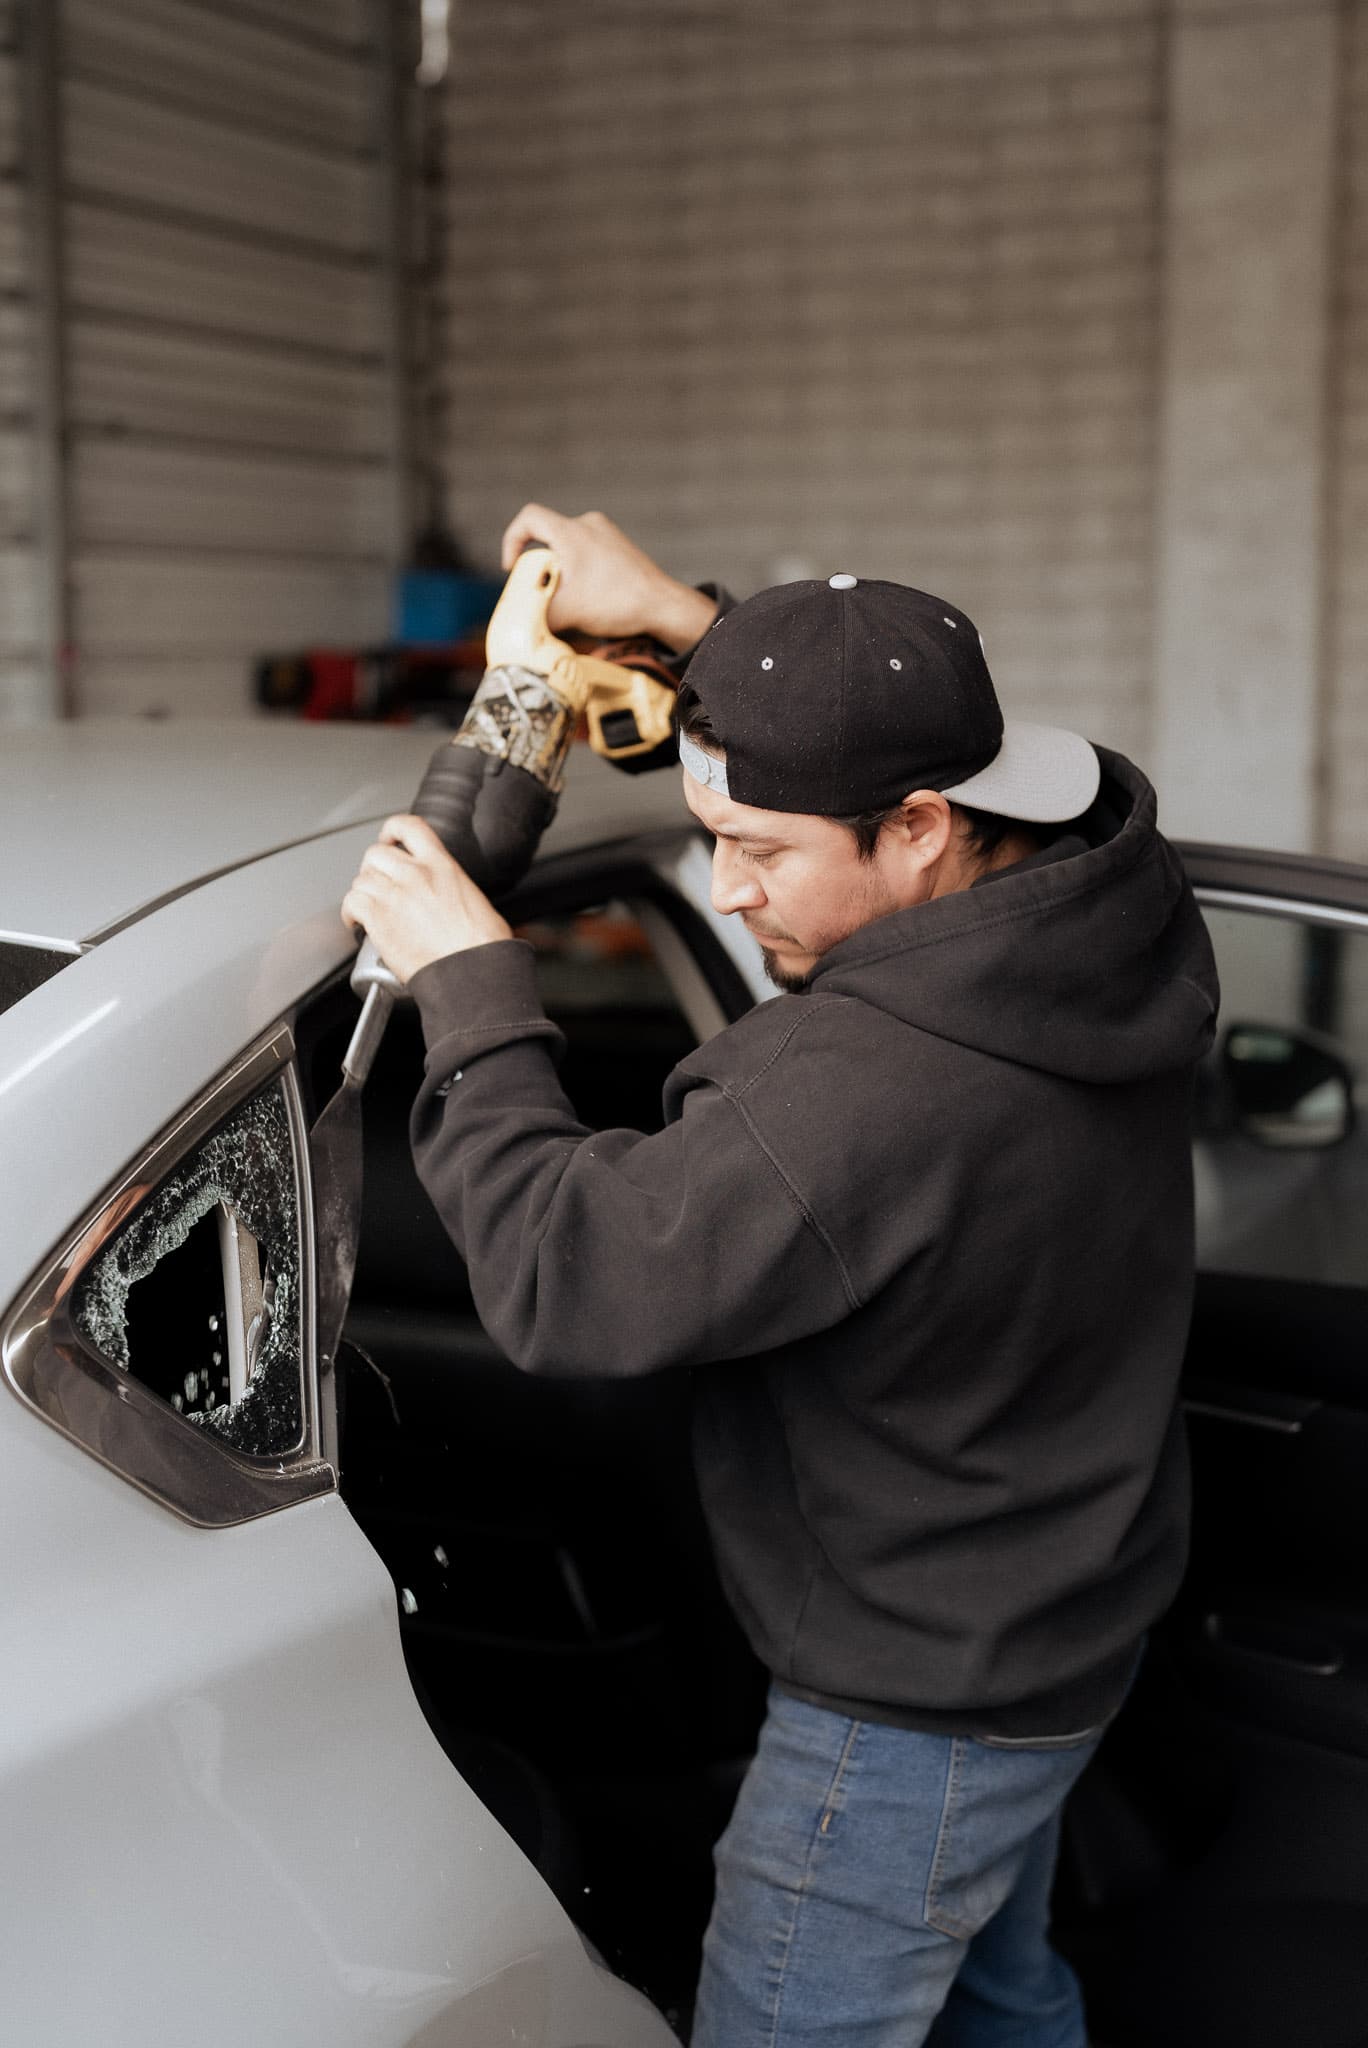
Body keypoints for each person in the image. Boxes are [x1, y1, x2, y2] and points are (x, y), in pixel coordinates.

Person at [342, 505, 1219, 2048]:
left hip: (908, 1714)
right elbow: (852, 750)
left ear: (924, 824)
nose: (729, 890)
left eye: (758, 851)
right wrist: (695, 629)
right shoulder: (1109, 899)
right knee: (1004, 1988)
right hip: (1061, 1621)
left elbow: (569, 1281)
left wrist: (471, 988)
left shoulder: (854, 1094)